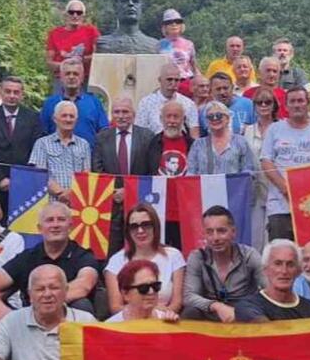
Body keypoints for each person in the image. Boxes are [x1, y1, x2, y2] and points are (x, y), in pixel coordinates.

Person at [0, 201, 100, 321]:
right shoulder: (28, 258)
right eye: (50, 220)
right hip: (29, 326)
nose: (55, 225)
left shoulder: (84, 256)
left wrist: (42, 308)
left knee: (82, 304)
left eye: (61, 220)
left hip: (68, 326)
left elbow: (83, 286)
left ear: (70, 227)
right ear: (40, 228)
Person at [261, 87, 310, 241]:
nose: (297, 105)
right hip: (280, 205)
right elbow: (266, 162)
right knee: (281, 254)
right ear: (286, 106)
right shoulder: (274, 129)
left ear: (307, 103)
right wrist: (285, 187)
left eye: (301, 100)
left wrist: (308, 187)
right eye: (292, 101)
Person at [0, 75, 45, 218]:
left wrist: (21, 179)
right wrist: (0, 178)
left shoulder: (33, 118)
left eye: (16, 92)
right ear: (0, 91)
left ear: (22, 94)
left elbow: (37, 151)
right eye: (8, 91)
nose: (12, 96)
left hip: (25, 184)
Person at [92, 96, 152, 252]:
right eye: (116, 112)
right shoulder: (101, 137)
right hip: (111, 203)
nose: (121, 116)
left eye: (125, 112)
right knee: (112, 249)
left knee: (139, 247)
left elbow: (151, 170)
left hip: (140, 201)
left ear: (133, 114)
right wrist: (113, 192)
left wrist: (130, 190)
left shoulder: (147, 137)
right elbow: (97, 169)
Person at [182, 205, 263, 322]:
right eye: (209, 232)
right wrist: (216, 306)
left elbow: (268, 289)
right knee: (190, 312)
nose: (215, 238)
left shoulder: (249, 255)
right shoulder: (197, 257)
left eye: (221, 231)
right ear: (204, 234)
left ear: (233, 232)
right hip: (211, 312)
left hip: (244, 313)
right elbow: (189, 296)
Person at [104, 203, 185, 314]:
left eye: (146, 225)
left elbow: (177, 303)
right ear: (127, 231)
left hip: (166, 321)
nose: (140, 231)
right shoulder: (116, 261)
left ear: (155, 227)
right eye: (134, 226)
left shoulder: (174, 256)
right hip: (130, 323)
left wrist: (160, 316)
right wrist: (149, 314)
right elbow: (116, 307)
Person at [235, 239, 310, 323]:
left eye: (290, 264)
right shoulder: (248, 306)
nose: (284, 271)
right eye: (278, 264)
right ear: (265, 269)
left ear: (299, 271)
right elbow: (268, 331)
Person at [147, 100, 194, 248]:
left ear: (183, 119)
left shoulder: (193, 145)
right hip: (159, 211)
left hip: (186, 212)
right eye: (168, 117)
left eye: (176, 117)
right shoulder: (152, 144)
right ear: (162, 119)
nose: (172, 121)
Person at [29, 100, 91, 203]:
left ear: (76, 120)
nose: (68, 119)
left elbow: (86, 175)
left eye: (71, 116)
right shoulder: (42, 143)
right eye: (64, 115)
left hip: (77, 204)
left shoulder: (84, 144)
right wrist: (61, 193)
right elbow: (40, 175)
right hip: (50, 202)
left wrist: (72, 194)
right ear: (55, 119)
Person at [39, 61, 110, 146]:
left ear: (82, 77)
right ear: (61, 77)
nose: (71, 77)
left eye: (75, 74)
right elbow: (42, 133)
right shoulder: (50, 104)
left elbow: (104, 132)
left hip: (88, 157)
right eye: (67, 74)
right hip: (56, 156)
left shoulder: (94, 103)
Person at [243, 86, 279, 252]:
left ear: (274, 105)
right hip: (254, 189)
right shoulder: (247, 130)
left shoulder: (282, 128)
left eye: (268, 102)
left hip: (277, 187)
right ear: (254, 106)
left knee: (274, 238)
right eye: (259, 102)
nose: (263, 105)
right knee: (256, 237)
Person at [187, 101, 256, 175]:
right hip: (206, 186)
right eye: (210, 116)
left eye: (219, 115)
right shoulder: (198, 145)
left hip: (233, 186)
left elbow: (249, 169)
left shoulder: (241, 142)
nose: (215, 118)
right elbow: (191, 173)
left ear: (227, 118)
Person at [45, 0, 100, 89]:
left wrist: (81, 60)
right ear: (66, 14)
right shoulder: (54, 33)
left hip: (86, 80)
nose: (75, 15)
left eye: (79, 13)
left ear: (83, 15)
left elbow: (98, 57)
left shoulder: (91, 32)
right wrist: (67, 66)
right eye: (71, 12)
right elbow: (49, 62)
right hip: (61, 80)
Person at [136, 62, 200, 138]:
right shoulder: (146, 103)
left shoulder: (189, 104)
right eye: (169, 79)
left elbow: (194, 133)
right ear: (160, 80)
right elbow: (140, 133)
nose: (173, 83)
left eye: (176, 80)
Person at [107, 259, 181, 323]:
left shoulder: (168, 322)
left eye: (155, 286)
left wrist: (174, 328)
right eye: (143, 288)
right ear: (125, 294)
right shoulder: (110, 328)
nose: (151, 291)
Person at [156, 9, 199, 96]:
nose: (174, 24)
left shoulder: (189, 44)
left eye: (177, 21)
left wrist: (199, 80)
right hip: (167, 83)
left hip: (186, 81)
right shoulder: (158, 45)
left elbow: (194, 66)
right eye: (169, 22)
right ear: (164, 27)